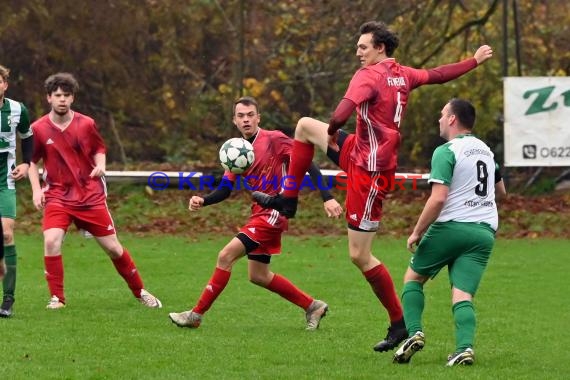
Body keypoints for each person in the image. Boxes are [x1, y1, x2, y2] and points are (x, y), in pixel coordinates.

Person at [253, 21, 494, 351]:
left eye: (363, 47)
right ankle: (288, 200)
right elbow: (438, 74)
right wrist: (474, 61)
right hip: (360, 152)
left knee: (359, 255)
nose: (358, 52)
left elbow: (341, 112)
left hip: (370, 172)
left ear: (380, 47)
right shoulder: (403, 74)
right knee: (305, 127)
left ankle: (399, 324)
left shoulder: (368, 76)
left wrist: (334, 127)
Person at [169, 96, 343, 330]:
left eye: (250, 114)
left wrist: (327, 196)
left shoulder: (274, 139)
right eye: (241, 116)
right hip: (259, 213)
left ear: (258, 117)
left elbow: (308, 164)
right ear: (234, 121)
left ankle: (196, 315)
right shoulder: (236, 150)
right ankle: (313, 306)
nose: (246, 119)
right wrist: (204, 200)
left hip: (274, 212)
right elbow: (225, 189)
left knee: (225, 256)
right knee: (258, 275)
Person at [27, 72, 162, 309]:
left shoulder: (86, 124)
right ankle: (57, 298)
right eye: (57, 95)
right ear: (49, 97)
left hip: (90, 195)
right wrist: (37, 190)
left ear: (72, 98)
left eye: (66, 95)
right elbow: (31, 161)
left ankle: (141, 292)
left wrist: (101, 166)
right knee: (51, 241)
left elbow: (99, 148)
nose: (62, 100)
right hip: (58, 195)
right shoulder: (38, 128)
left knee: (113, 248)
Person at [392, 98, 507, 366]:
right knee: (462, 293)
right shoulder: (486, 151)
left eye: (443, 114)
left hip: (451, 227)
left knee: (413, 278)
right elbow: (500, 192)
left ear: (453, 119)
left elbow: (438, 198)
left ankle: (414, 333)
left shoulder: (446, 150)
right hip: (483, 233)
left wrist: (417, 232)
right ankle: (464, 348)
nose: (440, 119)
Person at [0, 65, 34, 318]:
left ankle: (8, 299)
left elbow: (28, 138)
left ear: (5, 84)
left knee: (5, 233)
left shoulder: (17, 109)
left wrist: (26, 163)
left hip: (4, 180)